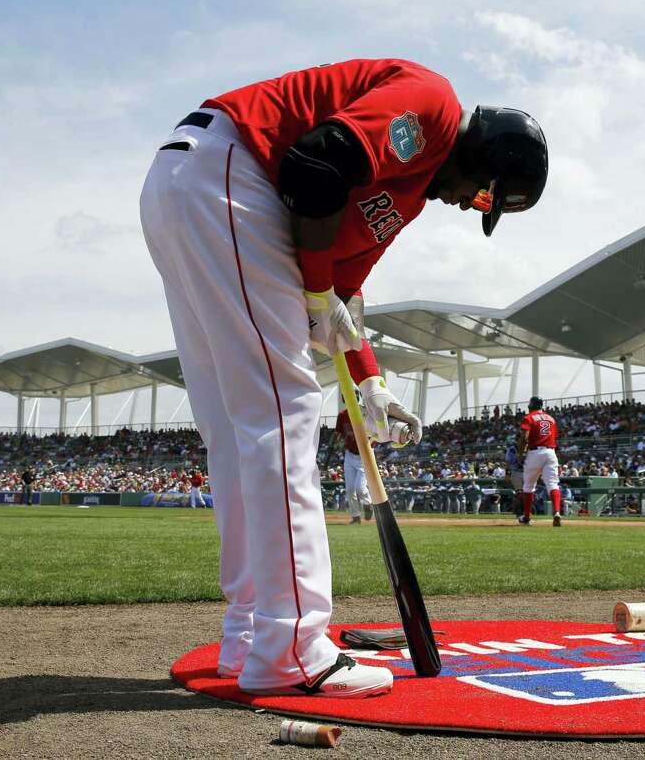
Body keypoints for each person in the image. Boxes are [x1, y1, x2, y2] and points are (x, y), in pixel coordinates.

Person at [139, 58, 548, 698]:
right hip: (236, 174)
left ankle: (249, 634)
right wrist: (314, 290)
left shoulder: (408, 190)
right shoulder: (435, 107)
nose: (469, 204)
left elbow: (344, 288)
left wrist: (369, 380)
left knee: (235, 425)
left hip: (195, 187)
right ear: (488, 152)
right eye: (482, 194)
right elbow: (315, 164)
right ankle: (295, 647)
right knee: (284, 415)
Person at [517, 397, 562, 526]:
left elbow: (524, 438)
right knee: (553, 484)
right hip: (550, 452)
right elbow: (554, 437)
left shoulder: (529, 417)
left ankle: (526, 517)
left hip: (535, 452)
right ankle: (557, 512)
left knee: (528, 486)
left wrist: (520, 453)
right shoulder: (551, 419)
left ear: (530, 406)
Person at [331, 404, 371, 524]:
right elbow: (338, 432)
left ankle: (368, 503)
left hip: (364, 454)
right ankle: (355, 516)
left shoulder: (365, 413)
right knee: (349, 489)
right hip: (349, 454)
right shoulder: (342, 415)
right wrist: (333, 441)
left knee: (360, 487)